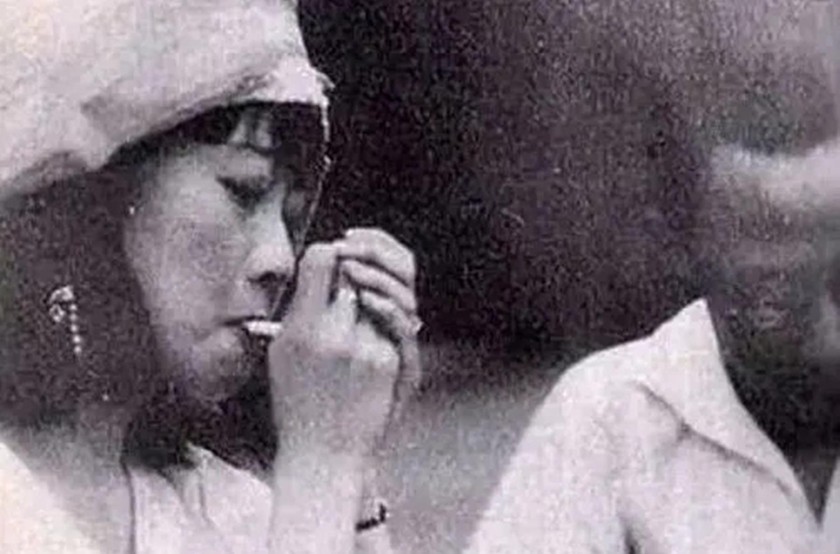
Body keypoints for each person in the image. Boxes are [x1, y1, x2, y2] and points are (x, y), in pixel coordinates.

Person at [0, 1, 420, 553]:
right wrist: (323, 464)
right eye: (243, 191)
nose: (281, 260)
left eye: (293, 216)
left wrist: (354, 478)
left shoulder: (230, 512)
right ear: (92, 199)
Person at [464, 135, 840, 553]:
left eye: (815, 233)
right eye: (750, 232)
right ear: (688, 251)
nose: (775, 263)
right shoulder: (608, 409)